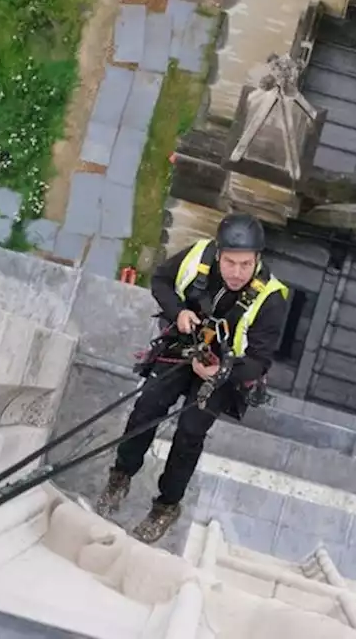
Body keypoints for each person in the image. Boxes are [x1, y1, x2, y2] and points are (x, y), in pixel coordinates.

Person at [96, 212, 289, 543]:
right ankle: (121, 474)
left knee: (190, 432)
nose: (237, 273)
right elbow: (160, 280)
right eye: (230, 263)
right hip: (182, 345)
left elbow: (258, 361)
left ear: (257, 259)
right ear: (218, 252)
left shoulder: (271, 297)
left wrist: (219, 371)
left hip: (223, 368)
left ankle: (167, 505)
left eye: (246, 264)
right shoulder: (196, 256)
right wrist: (179, 312)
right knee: (147, 408)